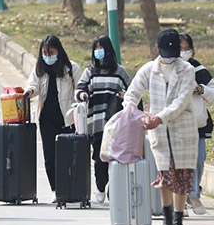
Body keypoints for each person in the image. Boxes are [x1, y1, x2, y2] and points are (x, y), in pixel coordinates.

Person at [123, 28, 197, 225]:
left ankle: (179, 219)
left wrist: (159, 118)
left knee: (182, 174)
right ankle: (167, 219)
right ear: (157, 48)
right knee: (166, 173)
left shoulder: (188, 70)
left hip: (183, 128)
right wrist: (131, 111)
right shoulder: (149, 69)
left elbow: (181, 102)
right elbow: (133, 92)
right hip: (159, 131)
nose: (169, 59)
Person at [74, 35, 132, 204]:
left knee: (115, 157)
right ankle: (100, 185)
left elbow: (132, 90)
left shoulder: (120, 71)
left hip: (116, 125)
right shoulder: (90, 72)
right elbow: (79, 88)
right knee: (100, 158)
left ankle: (113, 189)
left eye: (102, 48)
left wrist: (125, 96)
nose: (99, 52)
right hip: (96, 123)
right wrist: (83, 94)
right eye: (96, 49)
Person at [23, 35, 81, 202]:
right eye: (45, 53)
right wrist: (29, 92)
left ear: (59, 52)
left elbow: (80, 88)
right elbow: (32, 85)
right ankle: (56, 190)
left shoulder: (71, 69)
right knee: (50, 156)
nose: (48, 56)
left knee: (67, 155)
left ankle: (70, 188)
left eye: (51, 52)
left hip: (67, 118)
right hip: (46, 119)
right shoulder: (39, 69)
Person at [179, 33, 214, 215]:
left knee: (199, 158)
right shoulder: (168, 68)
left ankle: (193, 194)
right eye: (181, 49)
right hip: (177, 123)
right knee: (180, 162)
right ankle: (182, 199)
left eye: (187, 49)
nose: (184, 52)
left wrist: (201, 89)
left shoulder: (198, 69)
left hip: (198, 123)